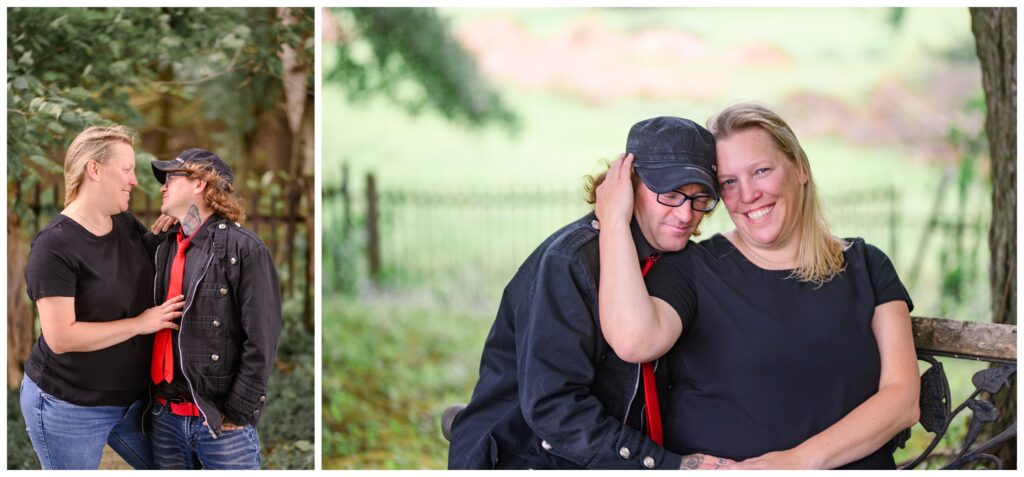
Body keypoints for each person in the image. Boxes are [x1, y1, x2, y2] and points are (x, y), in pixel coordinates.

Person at [595, 102, 920, 469]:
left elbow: (903, 398)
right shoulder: (694, 268)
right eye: (728, 183)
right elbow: (634, 340)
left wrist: (797, 462)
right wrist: (615, 222)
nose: (747, 195)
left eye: (761, 170)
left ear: (799, 169)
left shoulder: (866, 266)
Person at [448, 117, 733, 469]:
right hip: (526, 457)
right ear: (627, 185)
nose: (686, 214)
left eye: (699, 198)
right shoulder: (571, 262)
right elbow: (554, 410)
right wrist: (663, 465)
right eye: (670, 195)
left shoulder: (679, 263)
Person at [21, 125, 184, 470]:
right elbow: (61, 337)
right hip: (69, 406)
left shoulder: (123, 223)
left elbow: (149, 265)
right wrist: (140, 324)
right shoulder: (54, 247)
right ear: (94, 169)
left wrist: (181, 220)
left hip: (135, 401)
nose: (135, 181)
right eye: (126, 170)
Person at [146, 148, 282, 469]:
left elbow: (262, 338)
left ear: (200, 184)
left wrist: (237, 410)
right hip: (164, 419)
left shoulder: (244, 250)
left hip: (219, 426)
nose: (163, 186)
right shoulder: (164, 245)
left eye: (171, 178)